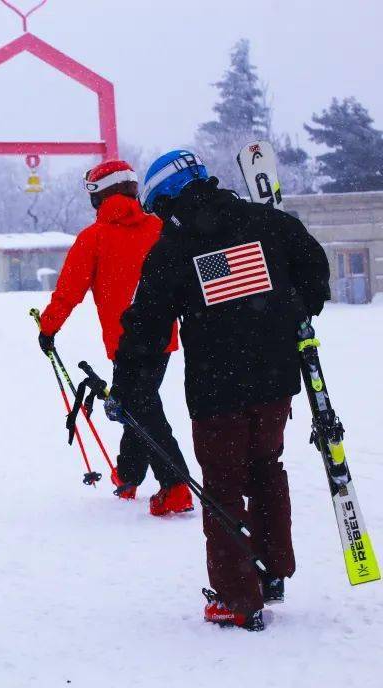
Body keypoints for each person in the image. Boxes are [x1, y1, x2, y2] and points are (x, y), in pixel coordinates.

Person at [110, 150, 330, 630]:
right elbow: (315, 269)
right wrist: (291, 311)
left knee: (225, 485)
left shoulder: (173, 248)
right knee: (266, 468)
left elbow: (145, 327)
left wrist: (125, 385)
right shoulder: (266, 221)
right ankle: (272, 571)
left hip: (216, 389)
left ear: (167, 198)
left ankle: (237, 598)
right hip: (275, 380)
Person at [38, 159, 193, 516]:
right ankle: (129, 474)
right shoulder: (159, 227)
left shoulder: (93, 238)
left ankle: (175, 486)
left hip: (125, 342)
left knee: (141, 407)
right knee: (136, 401)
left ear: (100, 196)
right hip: (163, 339)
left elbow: (68, 292)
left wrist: (48, 329)